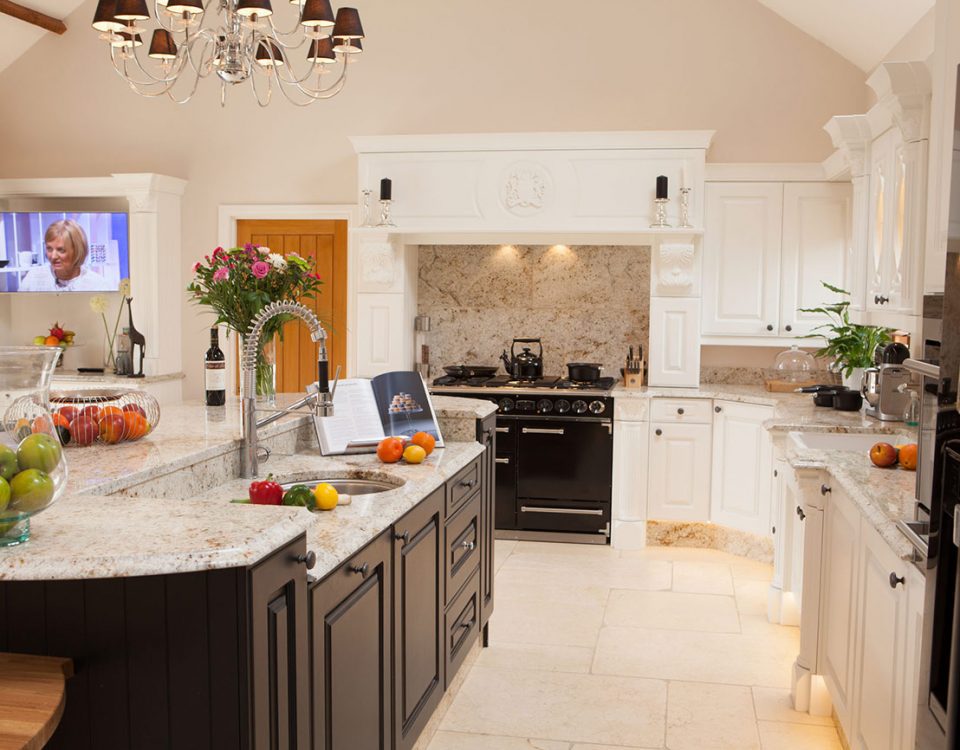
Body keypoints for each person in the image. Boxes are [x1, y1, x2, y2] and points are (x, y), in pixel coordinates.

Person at [19, 220, 108, 292]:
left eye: (61, 250)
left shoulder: (98, 285)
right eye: (49, 249)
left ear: (77, 250)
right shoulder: (33, 277)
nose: (53, 256)